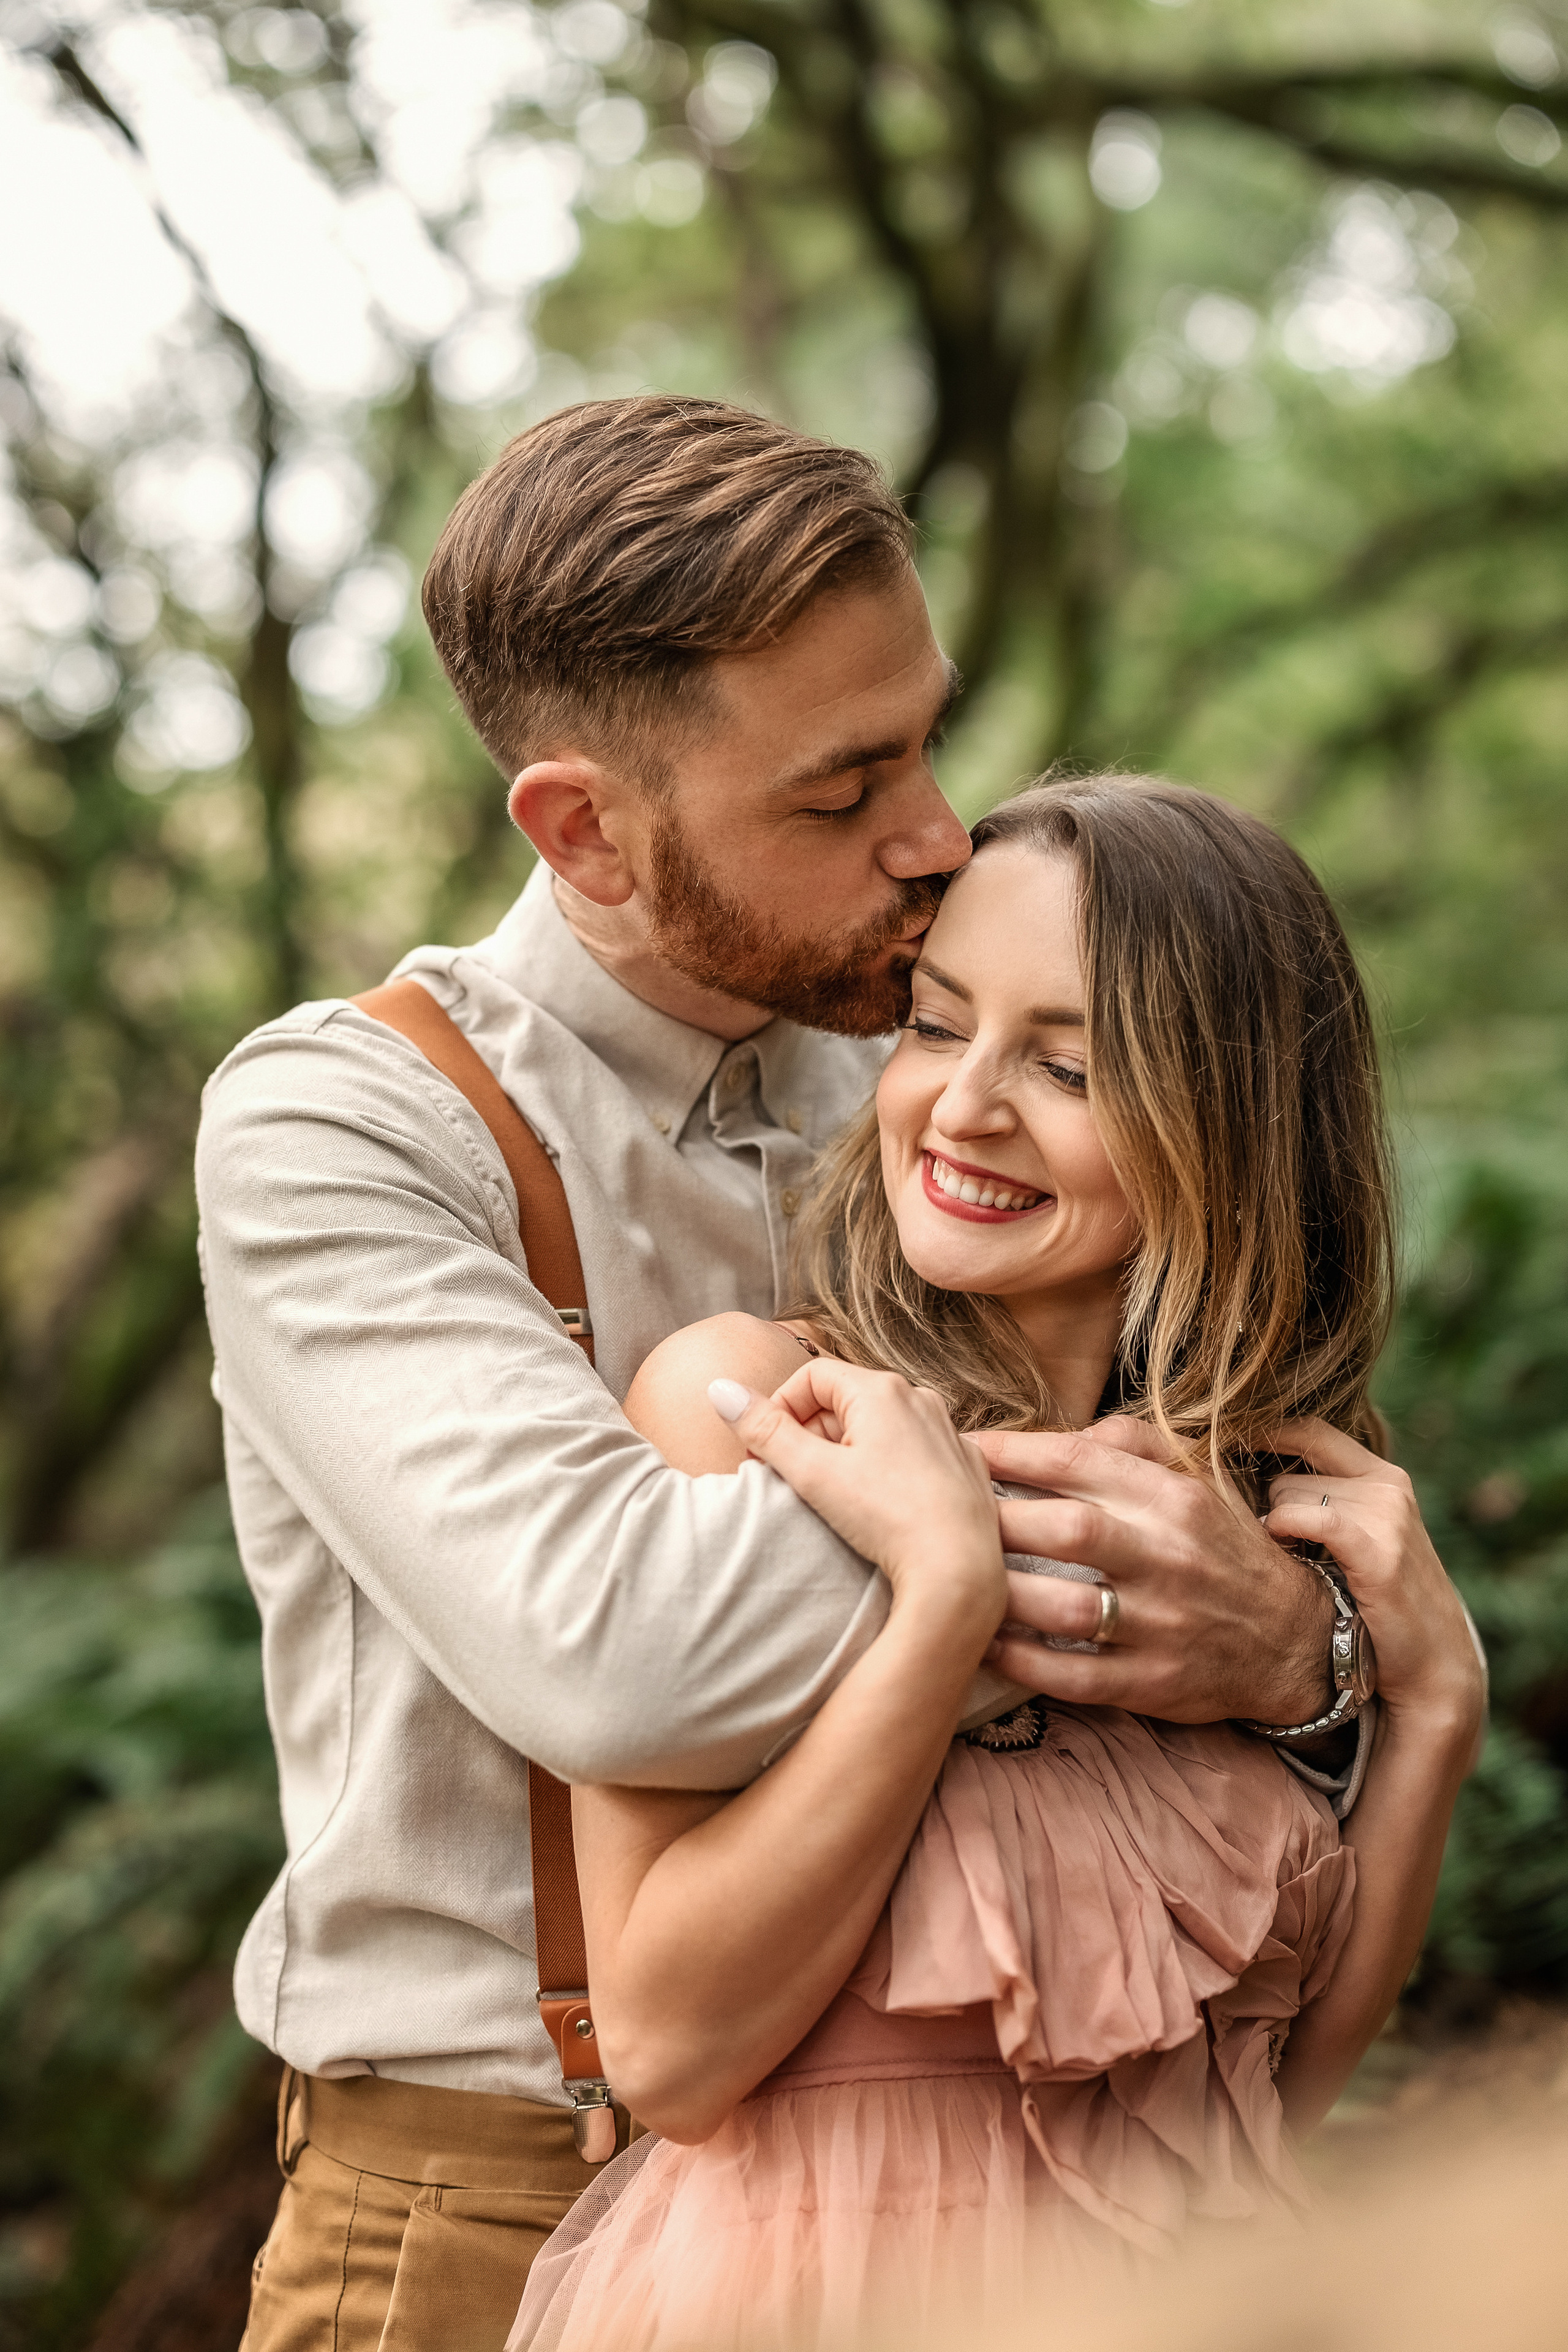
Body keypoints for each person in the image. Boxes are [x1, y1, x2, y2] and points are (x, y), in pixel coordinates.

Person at [195, 399, 1435, 2350]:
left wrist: (1321, 1654)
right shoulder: (350, 1126)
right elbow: (625, 1656)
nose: (936, 834)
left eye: (927, 735)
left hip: (1011, 2174)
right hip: (475, 2195)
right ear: (586, 825)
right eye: (844, 788)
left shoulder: (937, 1079)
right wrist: (1159, 1578)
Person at [508, 777, 1487, 2351]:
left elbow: (1269, 2104)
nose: (959, 1106)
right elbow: (672, 2054)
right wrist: (941, 1607)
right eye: (931, 1024)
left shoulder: (1256, 1513)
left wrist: (1432, 1696)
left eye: (1064, 1066)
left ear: (1228, 1128)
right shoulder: (756, 1412)